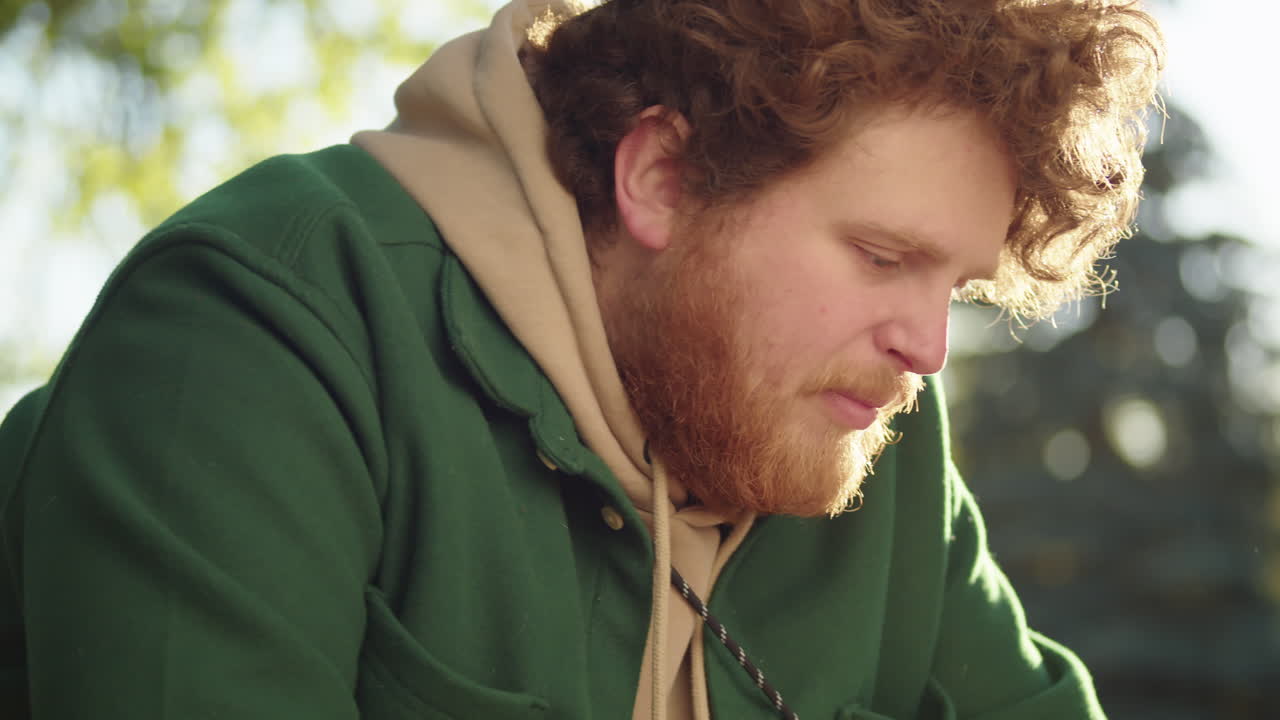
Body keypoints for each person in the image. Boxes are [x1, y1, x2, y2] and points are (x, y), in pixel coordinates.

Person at [0, 0, 1164, 717]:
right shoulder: (256, 328)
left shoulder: (864, 430)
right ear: (658, 176)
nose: (927, 345)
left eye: (951, 285)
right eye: (877, 255)